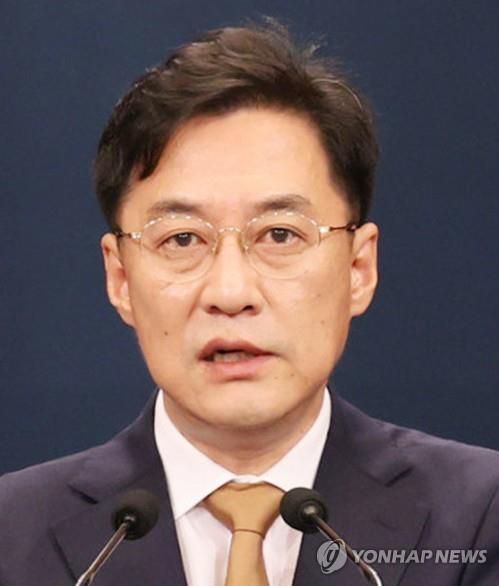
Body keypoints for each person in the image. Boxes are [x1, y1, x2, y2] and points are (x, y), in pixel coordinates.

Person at [1, 21, 498, 586]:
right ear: (120, 278)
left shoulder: (478, 520)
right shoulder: (13, 538)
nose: (230, 293)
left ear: (359, 269)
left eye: (280, 234)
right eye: (182, 239)